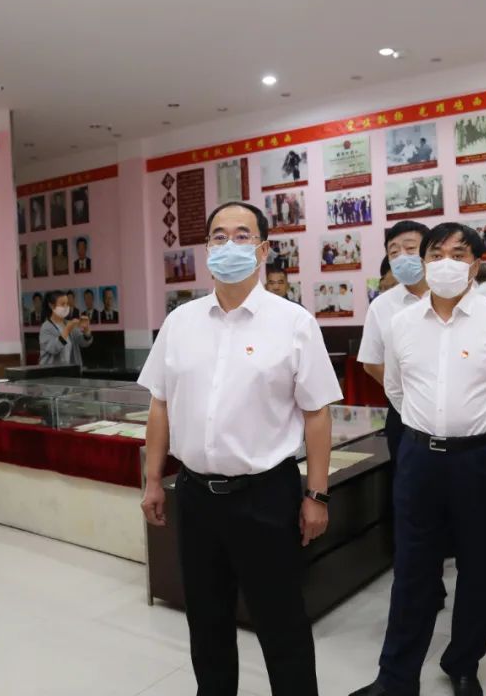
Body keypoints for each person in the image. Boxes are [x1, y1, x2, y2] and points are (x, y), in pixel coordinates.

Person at [139, 201, 341, 696]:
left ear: (263, 249)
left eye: (242, 235)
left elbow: (317, 413)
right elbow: (160, 404)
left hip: (265, 497)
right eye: (219, 236)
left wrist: (316, 495)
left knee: (281, 621)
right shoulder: (180, 322)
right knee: (206, 619)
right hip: (195, 496)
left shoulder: (293, 323)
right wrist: (153, 480)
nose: (229, 245)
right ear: (207, 248)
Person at [351, 223, 486, 696]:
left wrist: (485, 433)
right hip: (420, 458)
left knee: (480, 565)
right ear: (425, 262)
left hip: (483, 458)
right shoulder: (401, 323)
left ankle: (463, 663)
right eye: (436, 254)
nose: (446, 264)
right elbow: (396, 389)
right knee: (412, 568)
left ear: (476, 265)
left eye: (459, 254)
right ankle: (396, 677)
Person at [358, 220, 431, 460]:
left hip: (454, 411)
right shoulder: (381, 306)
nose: (402, 257)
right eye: (394, 252)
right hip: (403, 412)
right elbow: (371, 362)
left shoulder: (449, 296)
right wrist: (402, 393)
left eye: (410, 249)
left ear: (429, 251)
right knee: (406, 476)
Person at [38, 290, 92, 366]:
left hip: (70, 370)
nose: (66, 307)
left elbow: (84, 343)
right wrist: (67, 330)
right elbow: (54, 348)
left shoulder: (68, 323)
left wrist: (86, 331)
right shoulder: (46, 327)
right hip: (52, 372)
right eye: (62, 304)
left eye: (67, 304)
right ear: (51, 306)